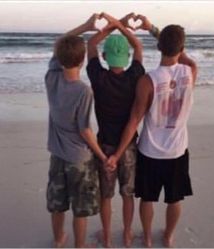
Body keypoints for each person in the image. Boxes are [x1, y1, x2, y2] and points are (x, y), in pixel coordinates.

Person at [107, 24, 197, 248]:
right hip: (177, 149)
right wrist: (152, 28)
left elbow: (134, 120)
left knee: (148, 198)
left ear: (158, 47)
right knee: (175, 198)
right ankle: (167, 235)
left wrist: (117, 154)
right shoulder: (190, 71)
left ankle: (147, 238)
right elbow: (182, 54)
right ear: (182, 47)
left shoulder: (148, 80)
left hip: (150, 151)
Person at [45, 14, 107, 248]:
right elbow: (85, 131)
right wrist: (102, 156)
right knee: (80, 208)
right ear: (82, 61)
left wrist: (86, 26)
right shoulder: (84, 91)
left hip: (57, 155)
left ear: (60, 60)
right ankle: (79, 246)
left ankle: (59, 238)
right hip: (79, 159)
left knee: (58, 203)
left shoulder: (52, 77)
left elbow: (60, 41)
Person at [86, 12, 147, 248]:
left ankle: (108, 236)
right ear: (128, 56)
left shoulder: (98, 77)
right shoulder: (135, 75)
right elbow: (139, 44)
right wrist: (121, 24)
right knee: (127, 194)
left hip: (104, 146)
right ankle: (128, 233)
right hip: (128, 146)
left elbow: (90, 43)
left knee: (106, 195)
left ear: (104, 56)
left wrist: (112, 24)